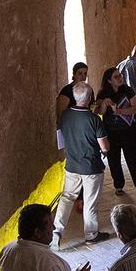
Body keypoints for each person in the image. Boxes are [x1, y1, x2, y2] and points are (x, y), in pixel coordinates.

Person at [56, 89, 109, 244]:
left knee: (67, 198)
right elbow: (104, 146)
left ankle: (56, 231)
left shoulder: (65, 115)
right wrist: (105, 151)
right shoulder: (94, 119)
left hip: (72, 165)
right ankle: (91, 234)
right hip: (91, 167)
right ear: (90, 98)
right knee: (90, 201)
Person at [98, 67, 136, 193]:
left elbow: (135, 108)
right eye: (116, 77)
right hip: (111, 131)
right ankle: (118, 186)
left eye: (120, 75)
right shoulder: (102, 93)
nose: (120, 78)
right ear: (109, 81)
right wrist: (104, 103)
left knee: (132, 158)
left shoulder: (127, 90)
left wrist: (120, 111)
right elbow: (100, 112)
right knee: (113, 159)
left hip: (128, 130)